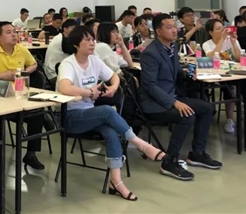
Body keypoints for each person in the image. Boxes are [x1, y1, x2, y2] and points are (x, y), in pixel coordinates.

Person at [57, 26, 165, 201]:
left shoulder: (94, 60)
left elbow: (114, 76)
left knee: (111, 132)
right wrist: (89, 93)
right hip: (70, 116)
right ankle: (141, 144)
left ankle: (116, 182)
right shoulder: (68, 64)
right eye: (87, 40)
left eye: (93, 39)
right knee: (107, 111)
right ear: (76, 44)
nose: (92, 43)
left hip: (90, 114)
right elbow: (65, 88)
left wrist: (114, 88)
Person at [140, 14, 222, 181]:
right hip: (154, 102)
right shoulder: (150, 53)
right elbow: (150, 86)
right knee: (187, 115)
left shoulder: (172, 47)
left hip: (171, 96)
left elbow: (176, 72)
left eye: (174, 26)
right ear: (158, 31)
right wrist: (175, 102)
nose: (174, 30)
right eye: (169, 27)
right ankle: (169, 162)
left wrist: (189, 74)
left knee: (206, 108)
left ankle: (197, 153)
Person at [0, 22, 45, 170]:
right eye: (8, 32)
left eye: (14, 32)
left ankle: (31, 154)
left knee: (37, 114)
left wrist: (25, 72)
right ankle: (46, 120)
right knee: (36, 114)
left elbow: (33, 64)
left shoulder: (21, 49)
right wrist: (3, 76)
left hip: (19, 94)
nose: (14, 35)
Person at [202, 19, 241, 134]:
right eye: (218, 28)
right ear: (211, 32)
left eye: (222, 27)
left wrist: (234, 42)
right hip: (216, 72)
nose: (222, 30)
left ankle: (241, 111)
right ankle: (230, 119)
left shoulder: (231, 39)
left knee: (240, 85)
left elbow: (239, 58)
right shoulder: (207, 44)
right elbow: (212, 57)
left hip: (233, 71)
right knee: (230, 88)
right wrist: (222, 40)